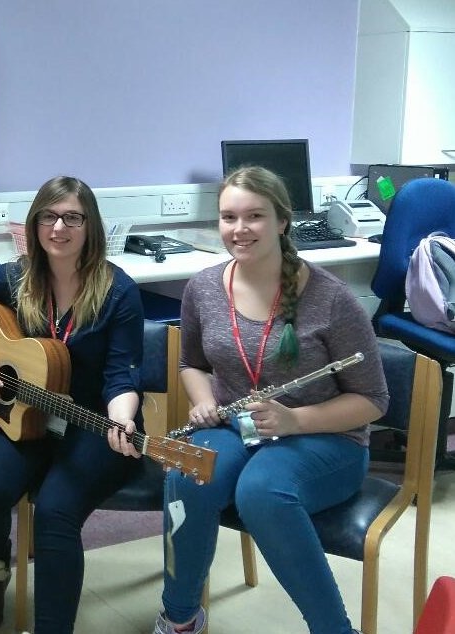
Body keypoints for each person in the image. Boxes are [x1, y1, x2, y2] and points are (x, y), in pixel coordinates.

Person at [142, 166, 389, 634]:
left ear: (282, 221)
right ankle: (179, 619)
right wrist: (200, 401)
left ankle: (334, 629)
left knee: (262, 494)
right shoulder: (203, 287)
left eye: (254, 216)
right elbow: (191, 363)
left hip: (327, 438)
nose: (239, 229)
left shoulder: (332, 300)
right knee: (187, 472)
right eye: (228, 217)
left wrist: (294, 420)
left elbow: (374, 400)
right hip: (239, 426)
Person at [0, 175, 145, 634]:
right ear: (34, 225)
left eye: (72, 217)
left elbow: (123, 375)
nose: (58, 227)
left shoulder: (117, 291)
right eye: (48, 217)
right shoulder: (19, 277)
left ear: (90, 226)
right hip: (30, 420)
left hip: (94, 425)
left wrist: (122, 416)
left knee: (54, 512)